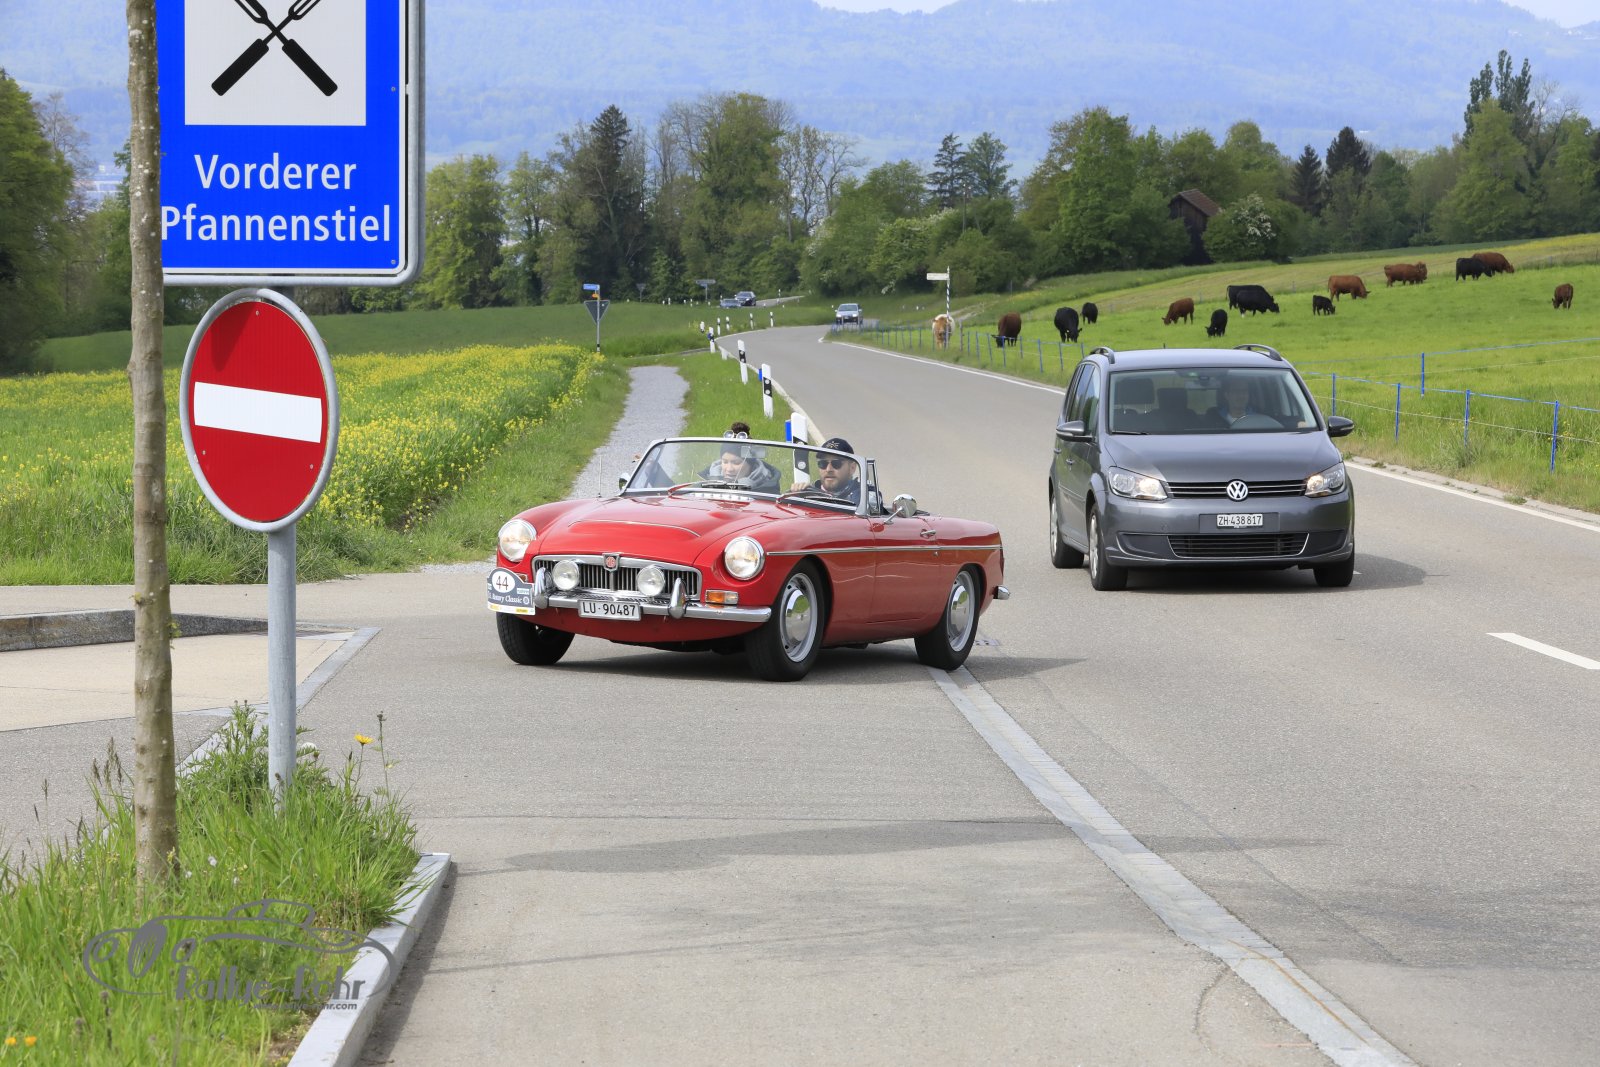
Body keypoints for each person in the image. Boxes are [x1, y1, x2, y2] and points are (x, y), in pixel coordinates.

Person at [814, 437, 861, 504]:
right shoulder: (807, 493)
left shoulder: (863, 497)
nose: (828, 469)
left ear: (852, 468)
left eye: (836, 463)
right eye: (823, 463)